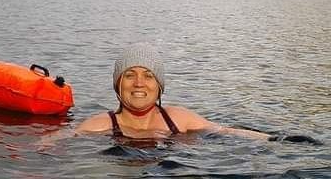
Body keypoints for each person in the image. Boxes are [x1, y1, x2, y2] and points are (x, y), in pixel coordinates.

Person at [75, 43, 273, 140]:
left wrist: (275, 140)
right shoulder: (97, 126)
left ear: (159, 85)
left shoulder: (179, 119)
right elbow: (59, 144)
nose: (139, 83)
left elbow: (226, 132)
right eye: (129, 75)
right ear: (117, 84)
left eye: (148, 76)